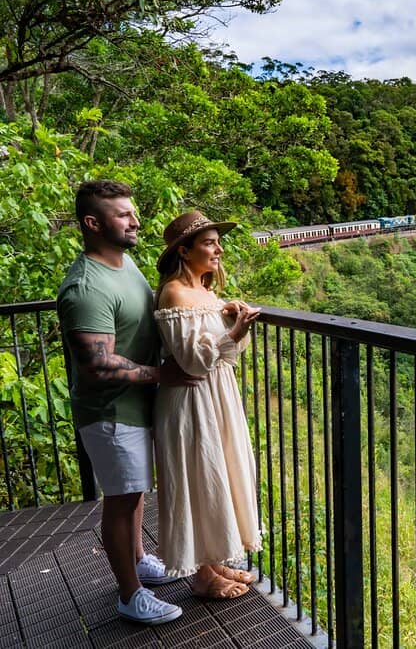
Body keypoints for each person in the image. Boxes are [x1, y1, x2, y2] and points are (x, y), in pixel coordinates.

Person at [58, 180, 200, 625]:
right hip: (110, 413)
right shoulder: (86, 288)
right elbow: (97, 366)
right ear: (93, 223)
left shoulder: (126, 264)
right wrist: (162, 374)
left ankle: (138, 559)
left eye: (133, 212)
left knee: (135, 492)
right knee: (120, 500)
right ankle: (129, 594)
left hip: (137, 405)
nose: (136, 221)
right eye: (123, 214)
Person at [152, 210, 262, 599]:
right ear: (184, 251)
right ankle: (202, 576)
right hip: (191, 398)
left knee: (217, 473)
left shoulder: (206, 292)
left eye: (218, 241)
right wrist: (232, 330)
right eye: (209, 242)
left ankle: (213, 562)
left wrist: (233, 324)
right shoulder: (175, 294)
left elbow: (226, 356)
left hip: (216, 393)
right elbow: (191, 362)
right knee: (199, 477)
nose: (218, 249)